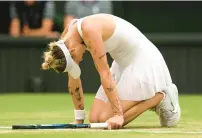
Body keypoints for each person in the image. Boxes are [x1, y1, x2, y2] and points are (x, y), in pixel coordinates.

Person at [41, 14, 181, 129]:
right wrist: (79, 119)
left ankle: (159, 96)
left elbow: (105, 73)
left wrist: (118, 114)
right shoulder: (66, 42)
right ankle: (147, 96)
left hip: (144, 60)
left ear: (71, 51)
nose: (79, 61)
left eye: (76, 59)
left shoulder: (89, 30)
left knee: (107, 121)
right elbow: (74, 78)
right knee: (95, 119)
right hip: (122, 63)